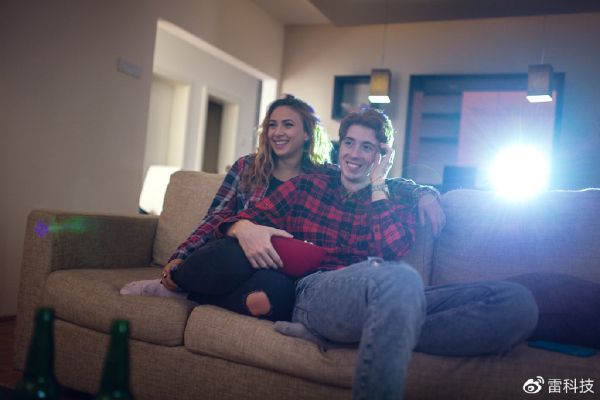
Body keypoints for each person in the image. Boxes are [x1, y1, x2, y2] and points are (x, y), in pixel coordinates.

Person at [203, 108, 538, 400]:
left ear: (382, 155)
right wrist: (240, 228)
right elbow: (242, 218)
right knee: (401, 278)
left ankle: (351, 338)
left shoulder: (394, 199)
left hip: (390, 295)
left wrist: (380, 184)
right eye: (349, 143)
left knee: (516, 302)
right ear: (340, 146)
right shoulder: (309, 185)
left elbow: (389, 247)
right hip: (319, 291)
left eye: (367, 147)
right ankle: (359, 336)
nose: (354, 154)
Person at [122, 95, 446, 313]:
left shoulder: (323, 175)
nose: (278, 132)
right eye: (272, 125)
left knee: (269, 297)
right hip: (239, 250)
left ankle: (194, 294)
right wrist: (198, 248)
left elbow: (382, 183)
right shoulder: (248, 168)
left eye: (288, 124)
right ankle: (184, 282)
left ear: (307, 134)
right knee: (225, 256)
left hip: (282, 268)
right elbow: (216, 218)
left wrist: (423, 192)